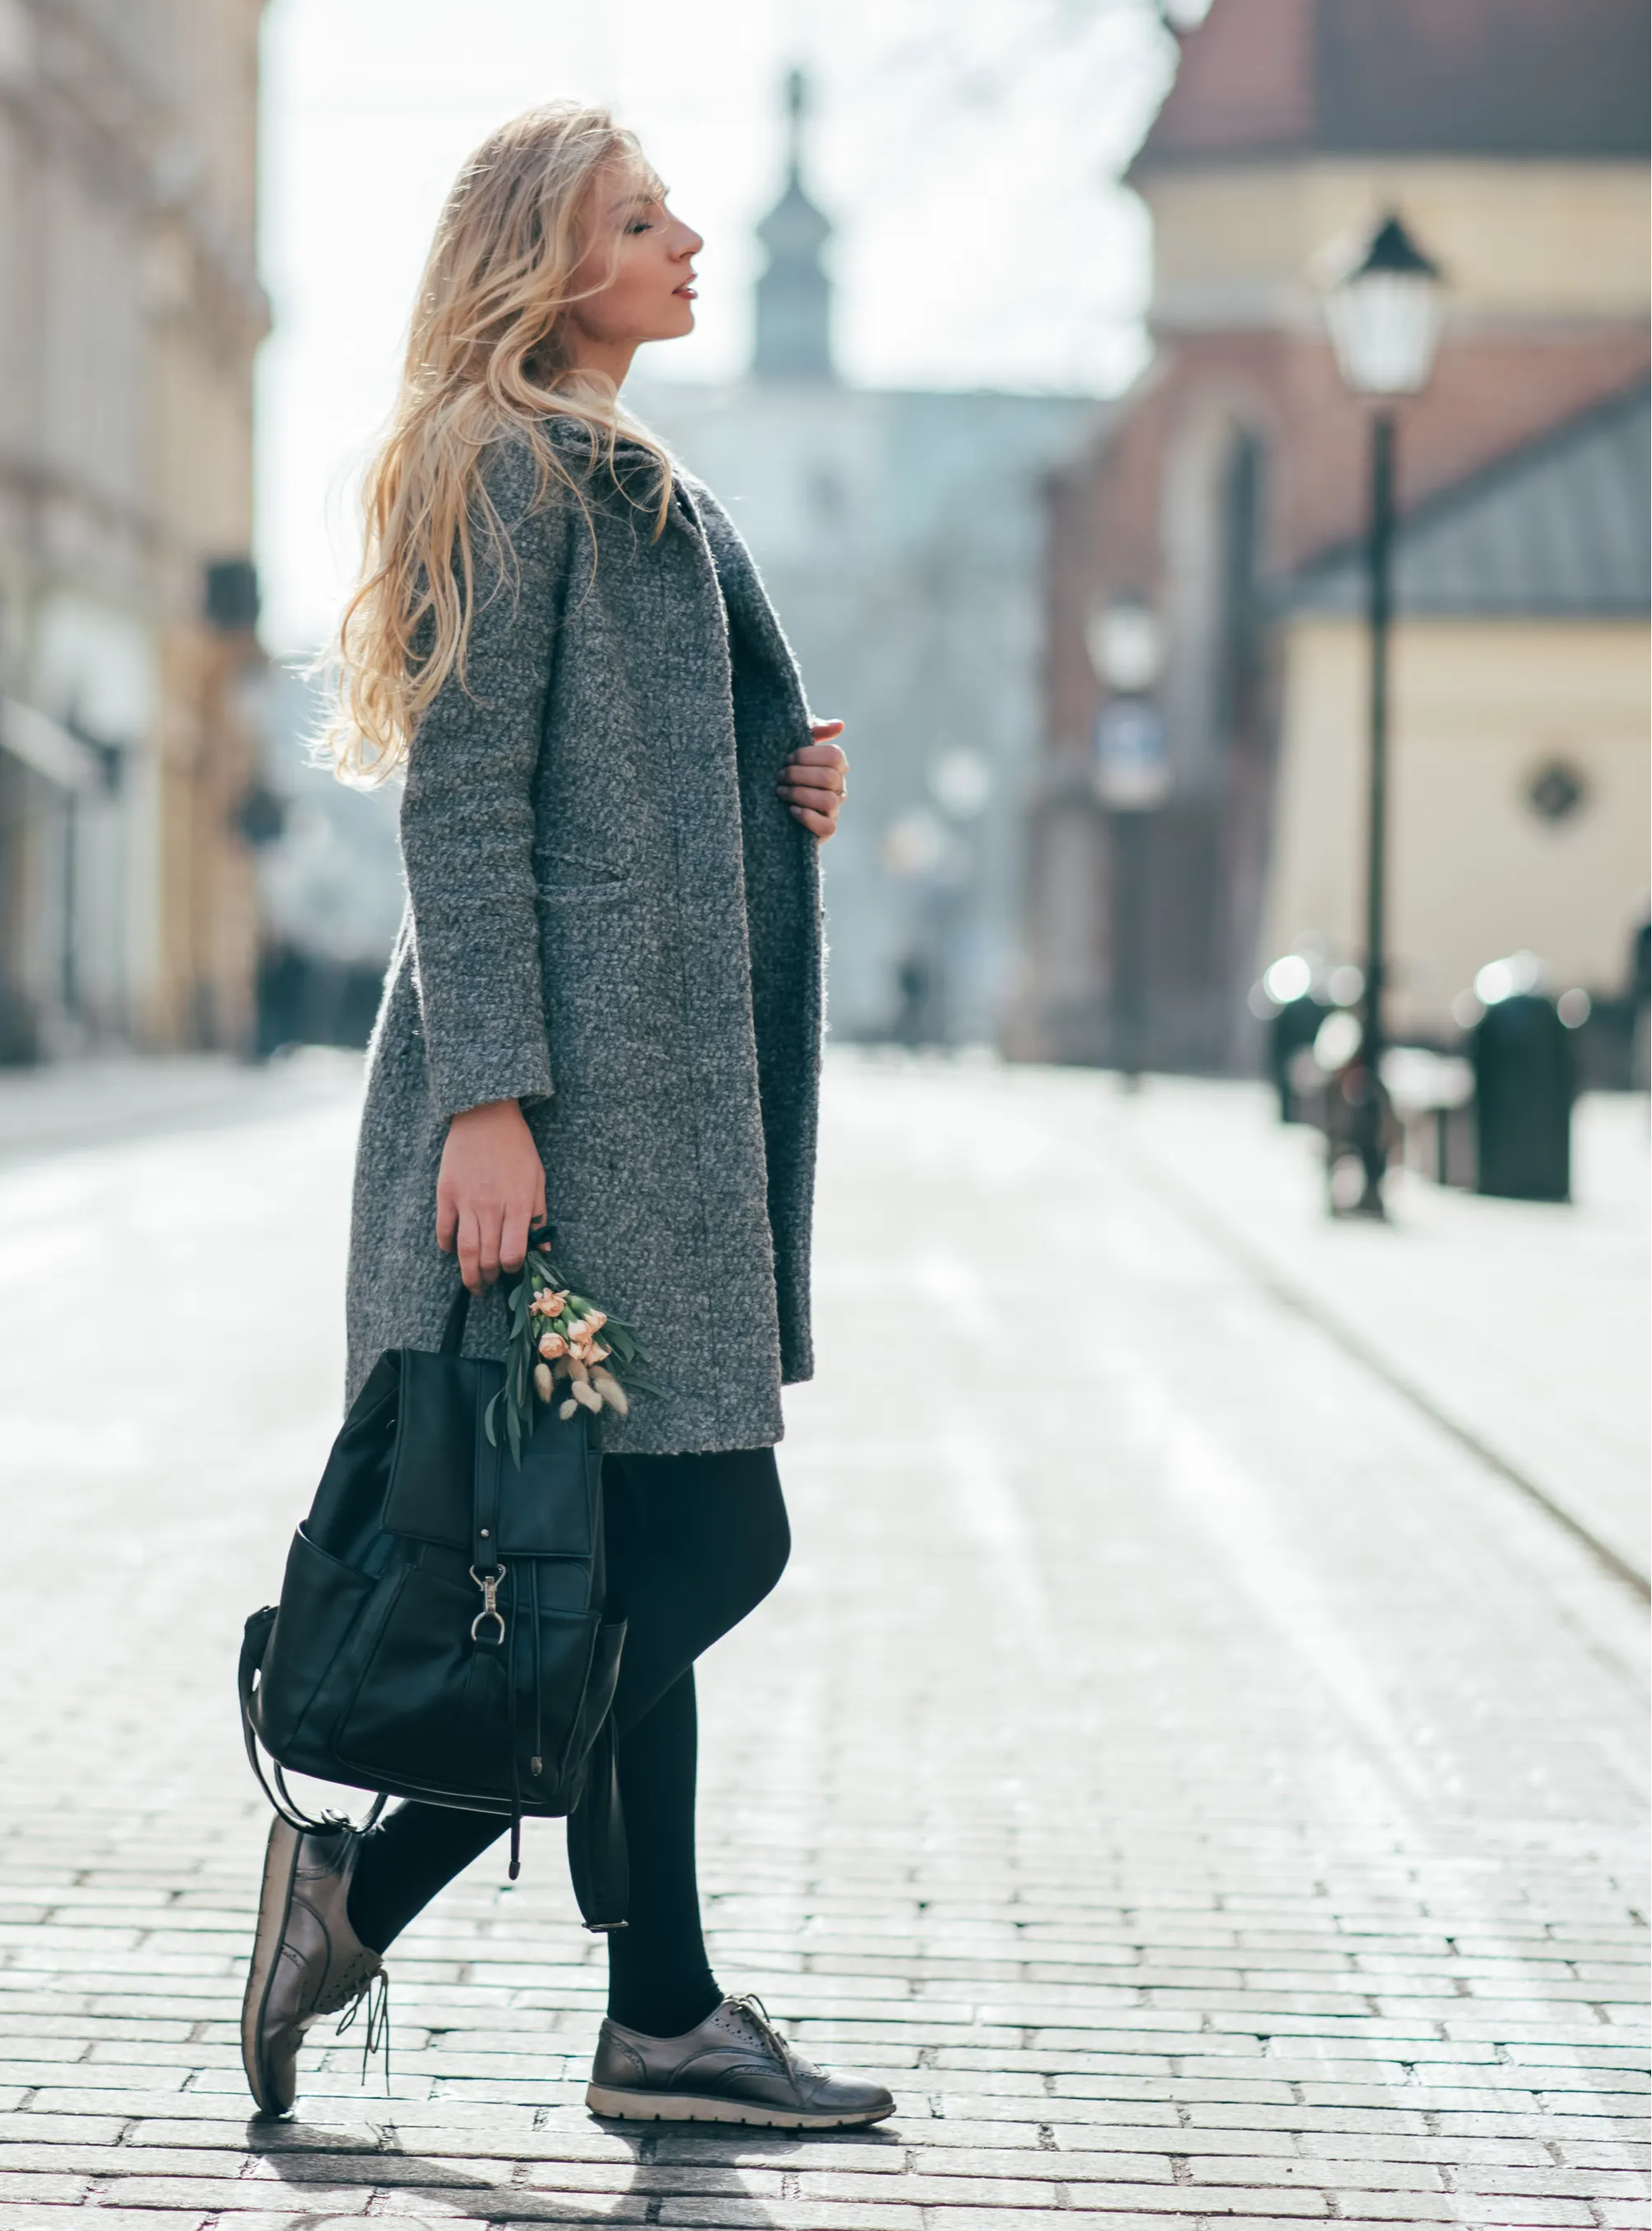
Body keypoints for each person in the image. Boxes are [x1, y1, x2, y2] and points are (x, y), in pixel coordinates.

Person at [239, 101, 892, 2133]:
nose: (686, 239)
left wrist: (769, 791)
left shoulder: (629, 478)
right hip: (567, 1113)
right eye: (638, 218)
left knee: (626, 1546)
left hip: (651, 1110)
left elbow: (624, 775)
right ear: (547, 260)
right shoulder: (509, 472)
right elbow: (463, 801)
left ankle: (663, 2015)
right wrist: (492, 1104)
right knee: (703, 1532)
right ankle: (370, 1879)